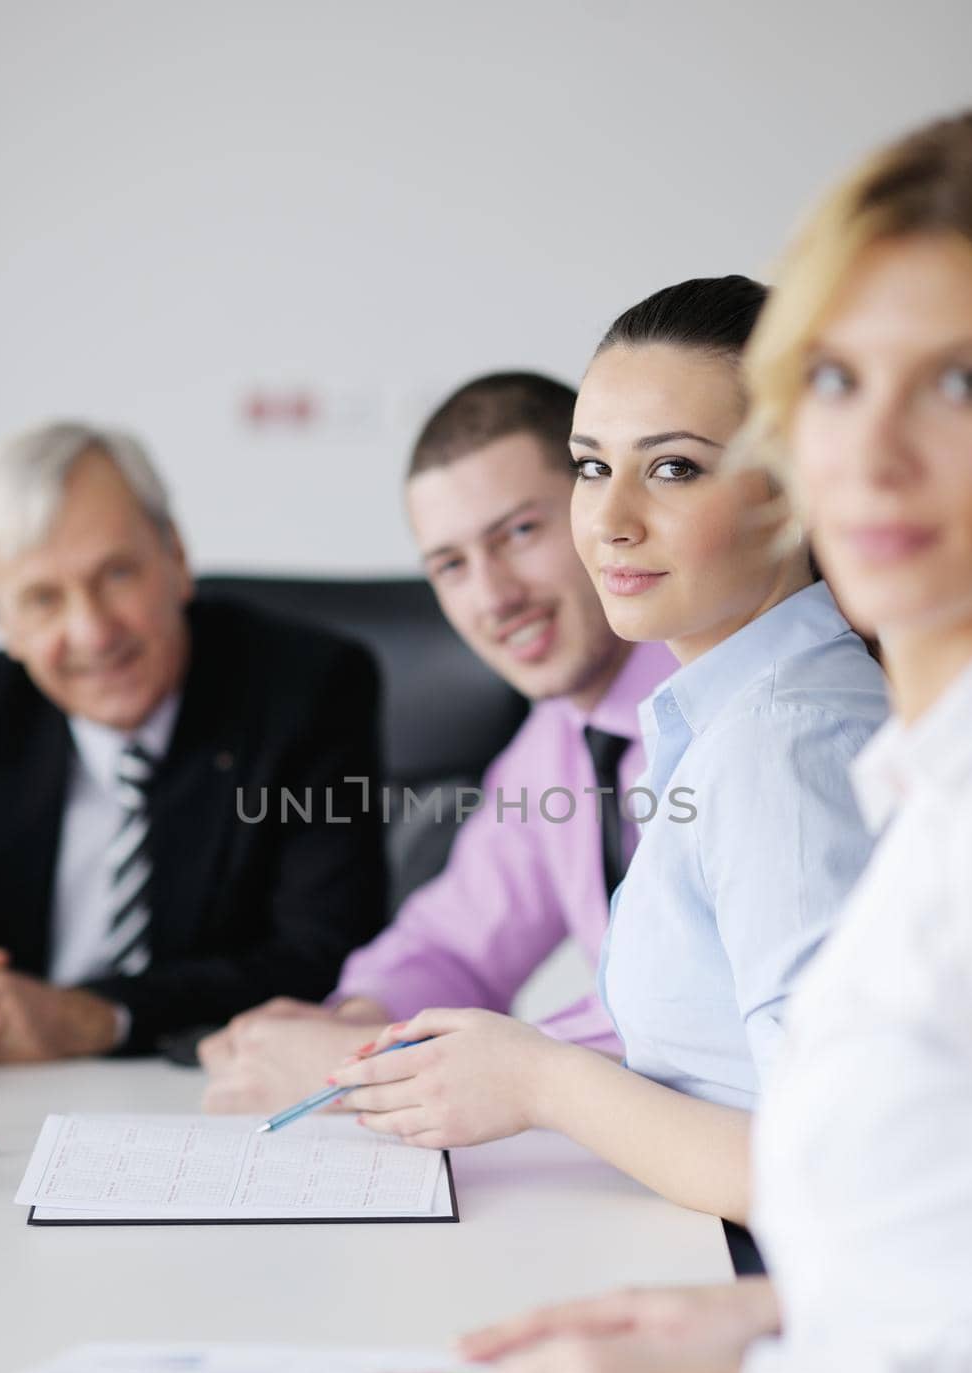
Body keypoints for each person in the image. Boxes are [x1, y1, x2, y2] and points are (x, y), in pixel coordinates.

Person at [462, 107, 972, 1373]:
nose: (869, 450)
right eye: (834, 381)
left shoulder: (802, 742)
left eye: (961, 383)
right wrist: (768, 1311)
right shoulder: (887, 757)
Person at [333, 277, 887, 1225]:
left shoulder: (784, 743)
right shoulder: (720, 719)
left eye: (672, 468)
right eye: (591, 468)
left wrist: (540, 1081)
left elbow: (838, 1167)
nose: (611, 518)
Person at [199, 373, 676, 1110]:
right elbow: (454, 942)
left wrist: (418, 1066)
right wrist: (357, 1024)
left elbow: (696, 1020)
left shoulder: (722, 709)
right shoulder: (557, 741)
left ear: (596, 507)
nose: (492, 598)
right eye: (451, 566)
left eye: (518, 533)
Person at [0, 422, 386, 1061]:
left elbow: (322, 957)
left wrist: (98, 1016)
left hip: (197, 1090)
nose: (92, 632)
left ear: (176, 557)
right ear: (1, 621)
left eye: (116, 574)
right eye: (41, 599)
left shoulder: (306, 690)